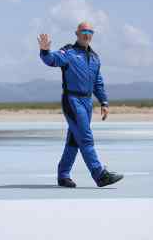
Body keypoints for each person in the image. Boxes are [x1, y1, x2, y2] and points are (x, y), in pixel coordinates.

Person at [38, 22, 124, 188]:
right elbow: (51, 60)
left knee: (74, 140)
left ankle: (63, 175)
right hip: (72, 100)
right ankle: (99, 174)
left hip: (87, 102)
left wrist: (104, 102)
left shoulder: (95, 58)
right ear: (77, 33)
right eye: (84, 31)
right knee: (85, 136)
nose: (87, 34)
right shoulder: (69, 52)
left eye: (90, 31)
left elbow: (98, 82)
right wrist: (44, 50)